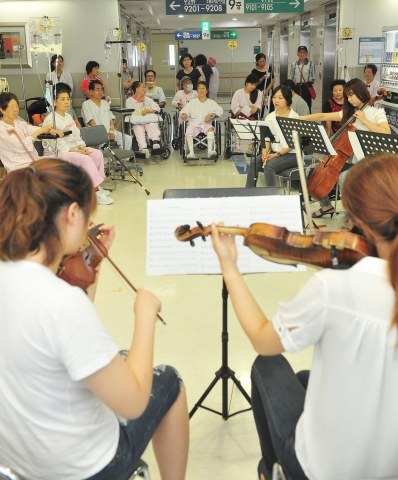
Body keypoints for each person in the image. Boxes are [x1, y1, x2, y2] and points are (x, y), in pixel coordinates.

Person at [210, 150, 398, 480]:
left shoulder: (335, 287)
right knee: (303, 381)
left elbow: (262, 340)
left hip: (325, 470)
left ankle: (273, 470)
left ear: (359, 222)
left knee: (267, 364)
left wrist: (229, 266)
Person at [0, 158, 189, 480]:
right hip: (83, 467)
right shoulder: (60, 302)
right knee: (169, 380)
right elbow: (132, 404)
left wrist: (90, 265)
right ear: (73, 214)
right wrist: (144, 315)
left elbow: (66, 335)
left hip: (17, 460)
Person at [300, 78, 390, 218]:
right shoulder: (349, 114)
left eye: (351, 95)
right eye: (347, 96)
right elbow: (323, 115)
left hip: (367, 163)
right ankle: (326, 206)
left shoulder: (376, 113)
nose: (349, 99)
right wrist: (301, 118)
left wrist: (364, 120)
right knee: (310, 170)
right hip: (348, 161)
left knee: (344, 178)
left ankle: (353, 218)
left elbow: (386, 132)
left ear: (361, 93)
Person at [42, 83, 113, 205]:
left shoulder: (68, 116)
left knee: (96, 154)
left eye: (68, 99)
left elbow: (77, 135)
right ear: (54, 102)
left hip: (73, 149)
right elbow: (59, 146)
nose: (66, 102)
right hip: (57, 153)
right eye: (62, 99)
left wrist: (81, 146)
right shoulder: (50, 120)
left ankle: (94, 186)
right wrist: (78, 151)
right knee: (85, 159)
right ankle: (94, 193)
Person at [245, 85, 299, 188]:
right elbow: (267, 139)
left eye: (280, 98)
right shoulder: (270, 117)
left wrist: (275, 155)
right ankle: (248, 193)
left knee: (269, 166)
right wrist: (265, 152)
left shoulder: (294, 117)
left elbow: (291, 145)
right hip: (274, 152)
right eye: (274, 97)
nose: (276, 100)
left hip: (292, 155)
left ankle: (273, 197)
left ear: (287, 99)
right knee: (254, 162)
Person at [0, 92, 63, 172]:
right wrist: (41, 130)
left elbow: (32, 129)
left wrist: (50, 130)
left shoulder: (18, 123)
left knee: (59, 166)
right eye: (12, 107)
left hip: (33, 162)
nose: (16, 109)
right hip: (18, 168)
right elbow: (20, 145)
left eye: (16, 106)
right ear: (2, 109)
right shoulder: (1, 129)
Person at [82, 80, 133, 150]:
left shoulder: (105, 103)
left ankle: (122, 159)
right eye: (97, 90)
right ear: (91, 91)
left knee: (127, 139)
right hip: (97, 133)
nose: (100, 92)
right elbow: (90, 121)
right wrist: (103, 133)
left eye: (101, 90)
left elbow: (111, 118)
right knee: (103, 145)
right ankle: (105, 160)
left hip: (110, 131)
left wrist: (111, 130)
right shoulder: (86, 104)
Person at [180, 81, 223, 159]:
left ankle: (210, 151)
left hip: (206, 125)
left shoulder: (211, 102)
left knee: (210, 128)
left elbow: (220, 110)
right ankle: (191, 153)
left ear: (206, 91)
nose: (201, 90)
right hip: (193, 124)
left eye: (203, 88)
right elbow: (185, 110)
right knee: (189, 129)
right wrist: (184, 114)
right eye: (199, 88)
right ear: (197, 90)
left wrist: (210, 115)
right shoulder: (192, 102)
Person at [126, 81, 162, 155]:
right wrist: (141, 112)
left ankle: (155, 142)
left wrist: (148, 110)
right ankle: (143, 148)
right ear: (137, 89)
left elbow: (157, 108)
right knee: (138, 130)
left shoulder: (147, 99)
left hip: (148, 121)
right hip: (137, 122)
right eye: (143, 87)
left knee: (152, 125)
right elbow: (132, 113)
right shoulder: (129, 101)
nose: (145, 89)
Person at [45, 54, 81, 128]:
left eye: (61, 61)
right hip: (53, 103)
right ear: (53, 63)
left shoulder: (68, 75)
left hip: (65, 103)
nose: (60, 63)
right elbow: (48, 91)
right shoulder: (49, 75)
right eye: (57, 62)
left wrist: (64, 98)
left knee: (72, 121)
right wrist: (53, 103)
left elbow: (70, 90)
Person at [230, 74, 262, 155]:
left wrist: (252, 108)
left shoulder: (258, 93)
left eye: (255, 85)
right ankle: (237, 148)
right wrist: (247, 108)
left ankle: (250, 149)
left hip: (252, 116)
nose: (253, 87)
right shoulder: (238, 93)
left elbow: (258, 106)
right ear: (246, 83)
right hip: (239, 115)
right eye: (251, 84)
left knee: (254, 127)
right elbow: (234, 108)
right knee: (237, 125)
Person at [290, 46, 316, 112]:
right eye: (300, 52)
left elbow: (313, 77)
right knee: (296, 104)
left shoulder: (310, 64)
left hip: (306, 87)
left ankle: (308, 120)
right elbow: (292, 77)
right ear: (297, 54)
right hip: (297, 87)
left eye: (304, 52)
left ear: (307, 53)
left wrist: (308, 84)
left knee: (307, 104)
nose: (302, 54)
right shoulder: (294, 64)